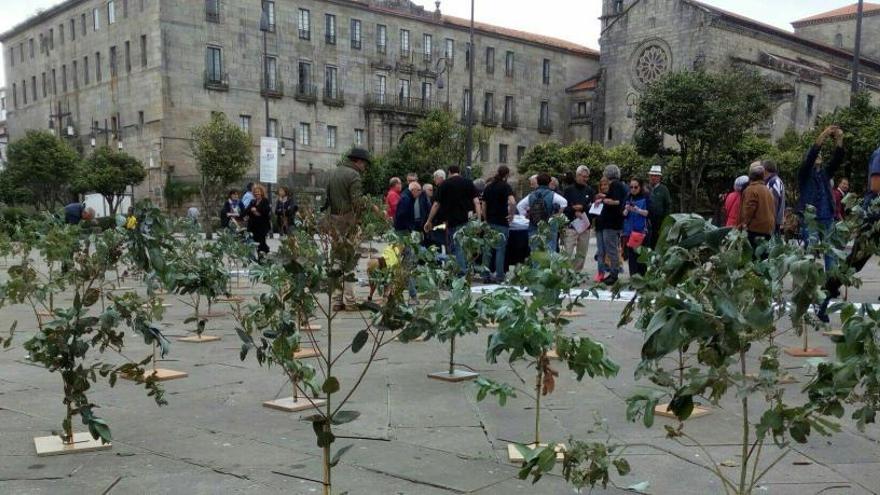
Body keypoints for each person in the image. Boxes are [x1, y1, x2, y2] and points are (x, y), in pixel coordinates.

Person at [817, 147, 880, 322]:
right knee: (854, 263)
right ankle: (823, 299)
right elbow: (876, 185)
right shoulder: (879, 154)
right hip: (874, 216)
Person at [798, 125, 844, 269]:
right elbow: (812, 155)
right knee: (811, 250)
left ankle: (831, 285)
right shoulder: (804, 173)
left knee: (830, 251)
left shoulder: (825, 173)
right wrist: (824, 135)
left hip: (827, 216)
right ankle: (808, 285)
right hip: (810, 218)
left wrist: (839, 139)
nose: (819, 156)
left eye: (820, 155)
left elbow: (838, 159)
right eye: (817, 155)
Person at [424, 165, 481, 271]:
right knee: (466, 247)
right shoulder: (468, 183)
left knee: (456, 248)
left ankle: (461, 272)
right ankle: (466, 270)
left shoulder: (445, 184)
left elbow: (436, 205)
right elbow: (477, 202)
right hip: (467, 221)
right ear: (459, 172)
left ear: (449, 172)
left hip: (452, 222)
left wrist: (429, 220)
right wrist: (479, 221)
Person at [482, 165, 517, 282]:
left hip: (490, 221)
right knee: (500, 250)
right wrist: (511, 215)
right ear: (506, 175)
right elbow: (512, 202)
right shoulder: (506, 187)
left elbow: (484, 205)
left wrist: (486, 219)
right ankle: (499, 276)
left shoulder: (488, 187)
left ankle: (485, 275)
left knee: (487, 250)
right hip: (501, 222)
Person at [516, 173, 568, 252]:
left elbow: (520, 206)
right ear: (549, 182)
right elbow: (564, 202)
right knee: (550, 254)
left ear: (537, 182)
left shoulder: (531, 195)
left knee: (536, 254)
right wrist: (557, 215)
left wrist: (526, 216)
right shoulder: (552, 195)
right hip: (549, 227)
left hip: (534, 226)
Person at [594, 165, 627, 285]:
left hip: (611, 223)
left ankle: (614, 274)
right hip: (616, 222)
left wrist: (604, 200)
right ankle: (613, 272)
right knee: (612, 249)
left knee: (611, 249)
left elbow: (616, 201)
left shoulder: (615, 185)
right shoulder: (621, 185)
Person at [562, 165, 595, 272]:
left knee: (582, 252)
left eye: (587, 177)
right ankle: (566, 272)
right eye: (584, 176)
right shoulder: (568, 190)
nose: (586, 179)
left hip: (585, 225)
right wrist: (573, 210)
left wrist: (583, 208)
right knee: (568, 251)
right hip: (571, 225)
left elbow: (592, 207)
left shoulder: (590, 191)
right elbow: (563, 208)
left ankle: (576, 273)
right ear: (577, 175)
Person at [739, 164, 776, 253]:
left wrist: (743, 224)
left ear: (750, 176)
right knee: (763, 256)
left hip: (755, 228)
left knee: (753, 256)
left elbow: (749, 209)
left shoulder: (751, 190)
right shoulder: (767, 190)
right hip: (768, 228)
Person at [622, 177, 650, 277]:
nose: (633, 189)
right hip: (630, 232)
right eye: (631, 187)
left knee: (641, 257)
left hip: (642, 232)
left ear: (640, 187)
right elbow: (623, 215)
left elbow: (649, 213)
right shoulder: (628, 196)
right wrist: (626, 209)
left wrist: (638, 210)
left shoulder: (646, 196)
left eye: (635, 187)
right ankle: (633, 279)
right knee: (632, 257)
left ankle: (642, 279)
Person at [647, 165, 671, 248]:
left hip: (659, 221)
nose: (653, 178)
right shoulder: (646, 188)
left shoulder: (664, 189)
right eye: (652, 176)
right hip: (646, 221)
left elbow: (668, 206)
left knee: (657, 242)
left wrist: (666, 221)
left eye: (656, 176)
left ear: (659, 177)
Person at [246, 184, 272, 258]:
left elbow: (266, 211)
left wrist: (256, 210)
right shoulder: (253, 201)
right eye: (255, 192)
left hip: (262, 226)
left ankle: (263, 256)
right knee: (256, 242)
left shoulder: (265, 201)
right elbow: (247, 210)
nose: (257, 193)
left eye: (258, 192)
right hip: (253, 226)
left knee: (261, 242)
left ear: (262, 192)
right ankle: (262, 254)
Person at [762, 160, 785, 234]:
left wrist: (771, 220)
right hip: (772, 221)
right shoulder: (771, 181)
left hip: (772, 222)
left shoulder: (774, 181)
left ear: (765, 170)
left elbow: (774, 202)